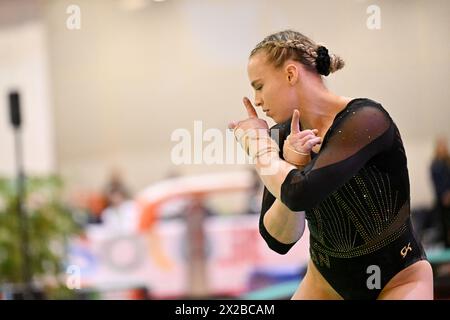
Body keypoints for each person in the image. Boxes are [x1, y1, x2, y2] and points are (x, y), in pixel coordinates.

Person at [228, 30, 433, 299]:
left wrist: (260, 149)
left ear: (290, 74)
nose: (256, 100)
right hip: (325, 284)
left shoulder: (366, 119)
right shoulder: (282, 136)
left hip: (398, 280)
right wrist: (288, 161)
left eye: (259, 85)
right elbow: (278, 240)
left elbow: (301, 192)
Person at [430, 136, 450, 247]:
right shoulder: (435, 164)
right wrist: (443, 194)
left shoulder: (448, 162)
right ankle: (445, 243)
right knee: (443, 222)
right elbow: (435, 182)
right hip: (441, 198)